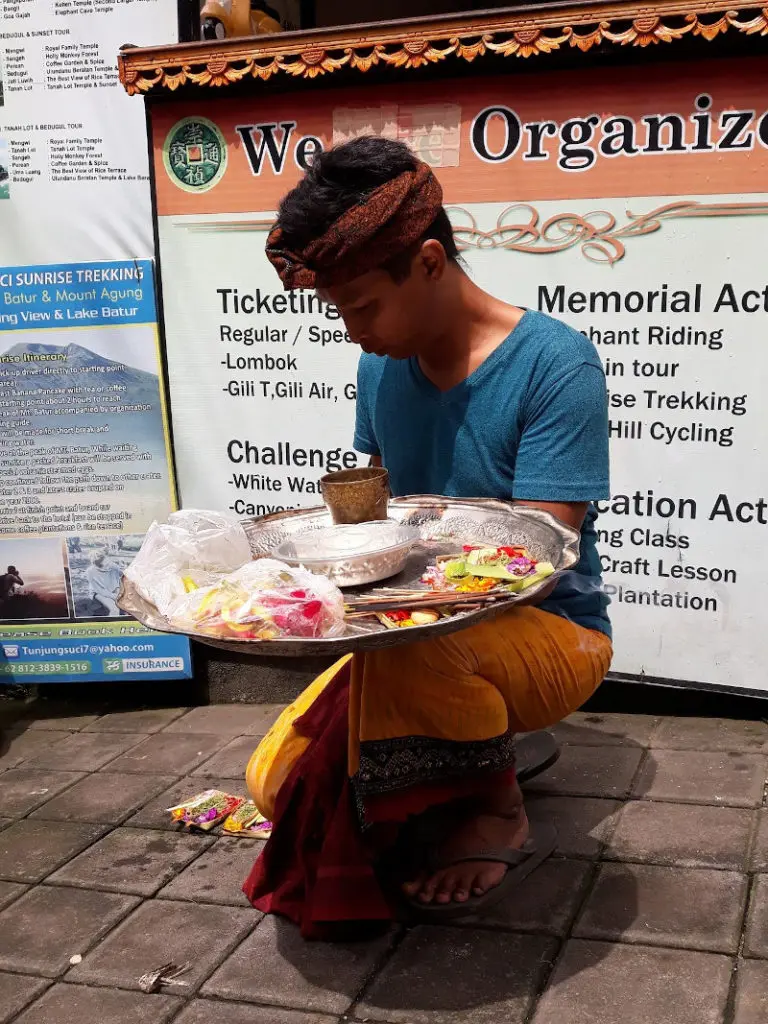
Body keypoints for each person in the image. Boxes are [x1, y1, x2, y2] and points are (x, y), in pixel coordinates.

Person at [243, 136, 612, 937]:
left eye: (362, 305)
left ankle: (499, 808)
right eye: (338, 310)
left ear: (432, 261)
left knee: (416, 647)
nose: (352, 331)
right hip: (405, 631)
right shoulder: (382, 367)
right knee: (274, 782)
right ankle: (433, 777)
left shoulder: (557, 365)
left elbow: (535, 560)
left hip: (553, 634)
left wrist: (403, 579)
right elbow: (374, 515)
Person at [85, 550, 122, 617]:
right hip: (99, 592)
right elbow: (100, 590)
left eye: (108, 563)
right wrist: (114, 596)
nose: (108, 566)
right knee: (115, 609)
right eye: (105, 566)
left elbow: (122, 574)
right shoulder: (90, 572)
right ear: (97, 566)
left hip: (114, 588)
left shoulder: (112, 565)